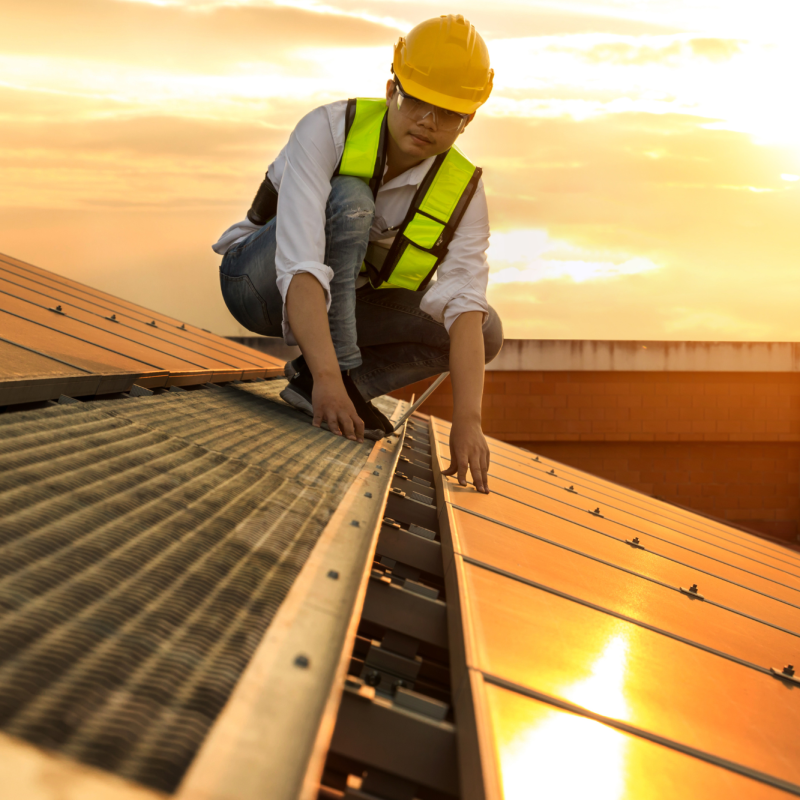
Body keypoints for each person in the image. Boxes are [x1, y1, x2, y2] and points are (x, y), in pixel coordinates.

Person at [213, 14, 503, 493]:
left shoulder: (465, 193)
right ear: (392, 89)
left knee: (485, 329)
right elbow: (300, 263)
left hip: (340, 308)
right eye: (416, 102)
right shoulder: (328, 130)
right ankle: (334, 377)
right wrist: (333, 373)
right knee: (350, 200)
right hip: (258, 285)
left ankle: (319, 385)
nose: (428, 122)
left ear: (467, 120)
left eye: (449, 113)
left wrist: (468, 420)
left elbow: (465, 307)